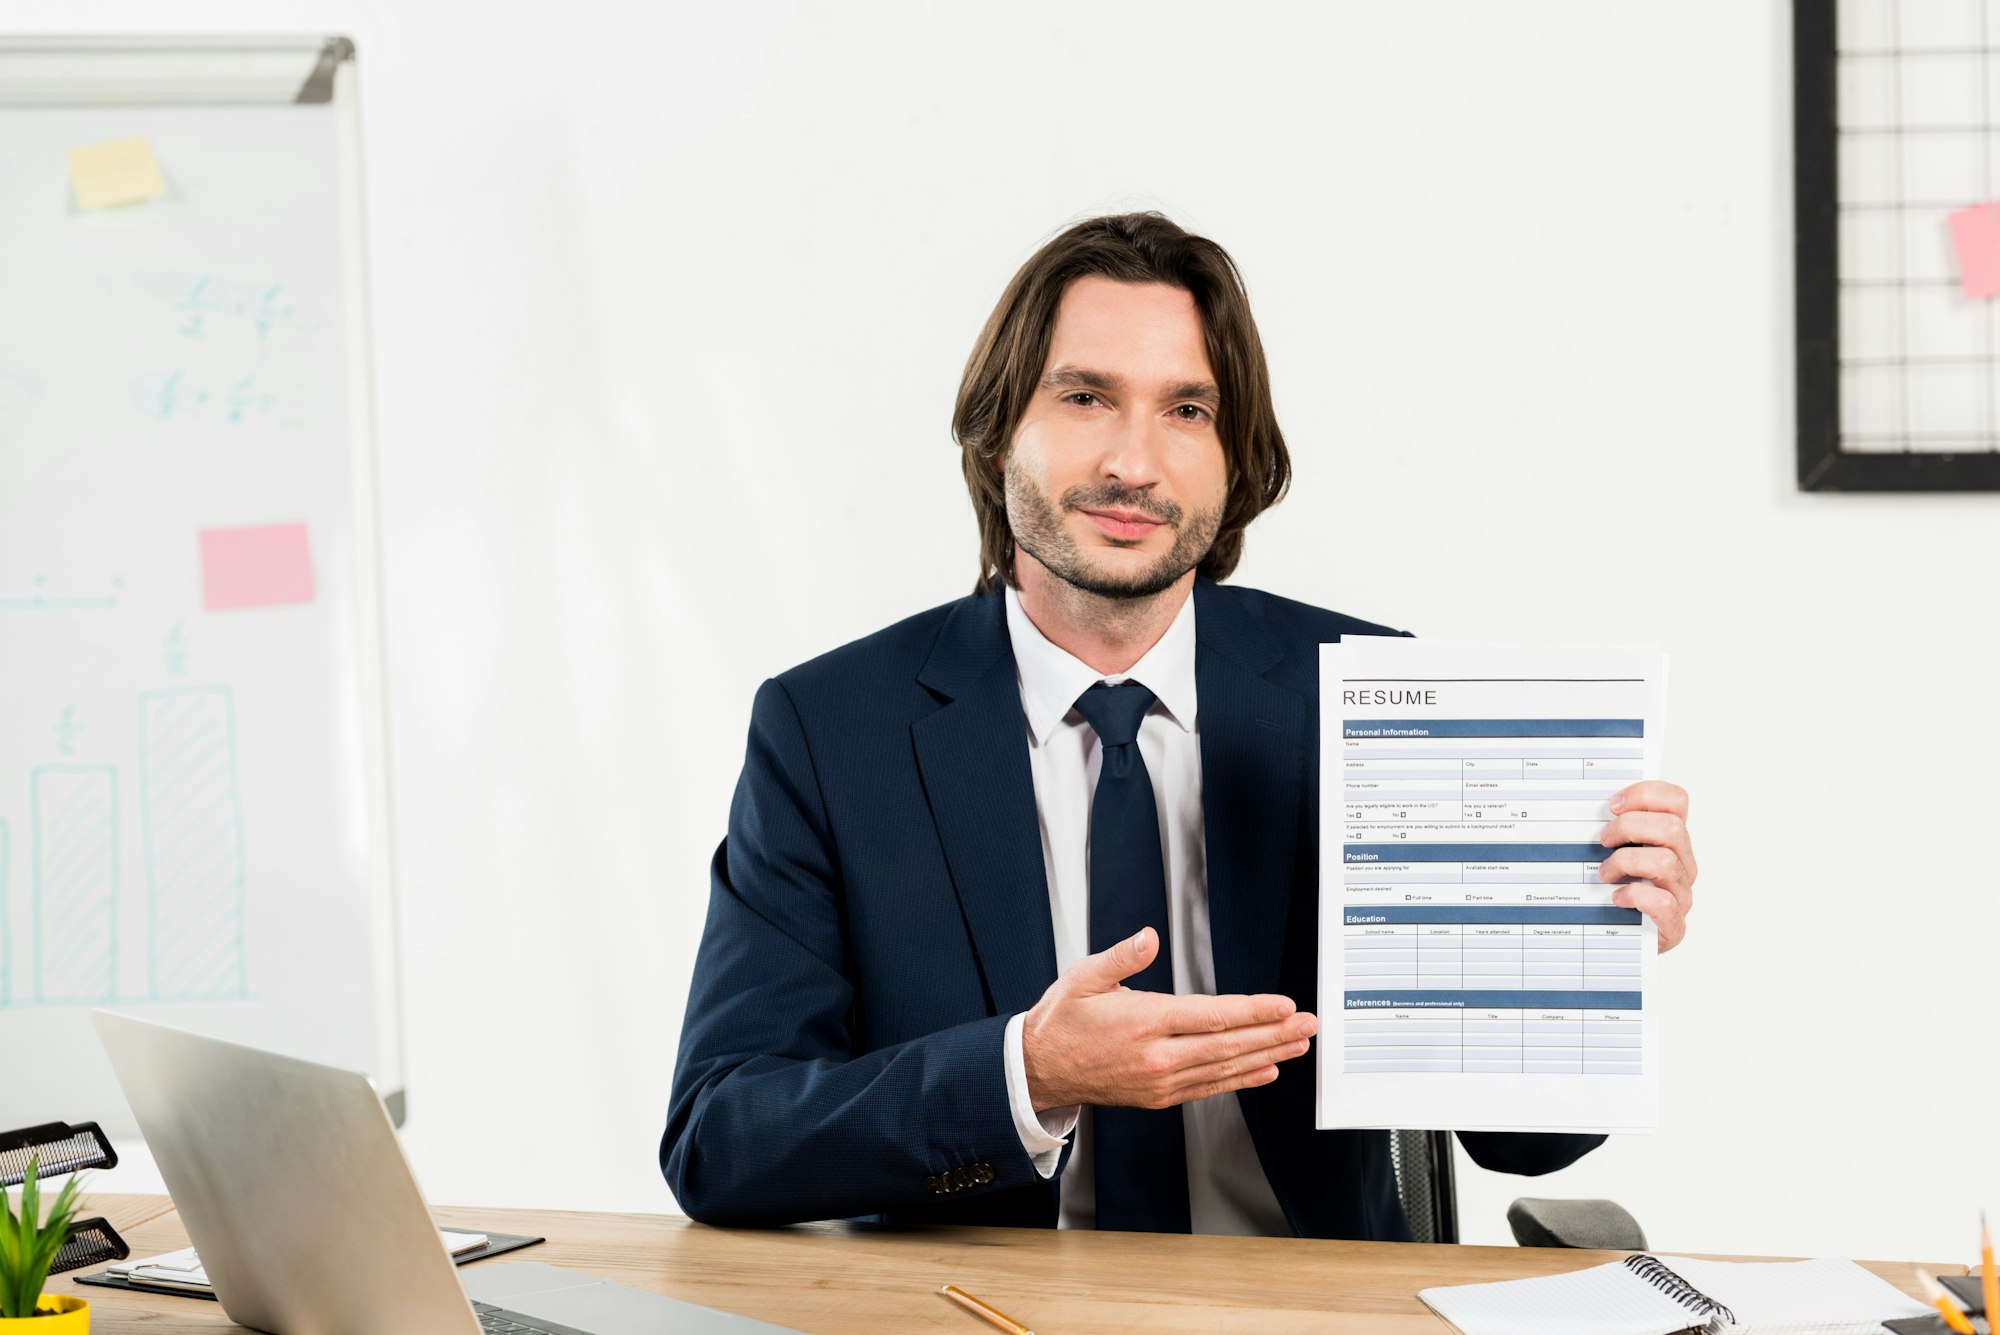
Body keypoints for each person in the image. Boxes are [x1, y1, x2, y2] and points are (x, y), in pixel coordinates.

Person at [661, 212, 1698, 1238]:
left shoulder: (1380, 706)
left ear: (1235, 455)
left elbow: (1522, 1145)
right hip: (980, 1312)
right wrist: (1025, 1075)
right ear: (995, 431)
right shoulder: (831, 730)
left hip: (1306, 1317)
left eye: (1186, 411)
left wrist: (1576, 956)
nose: (1134, 463)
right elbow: (722, 1140)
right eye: (1083, 397)